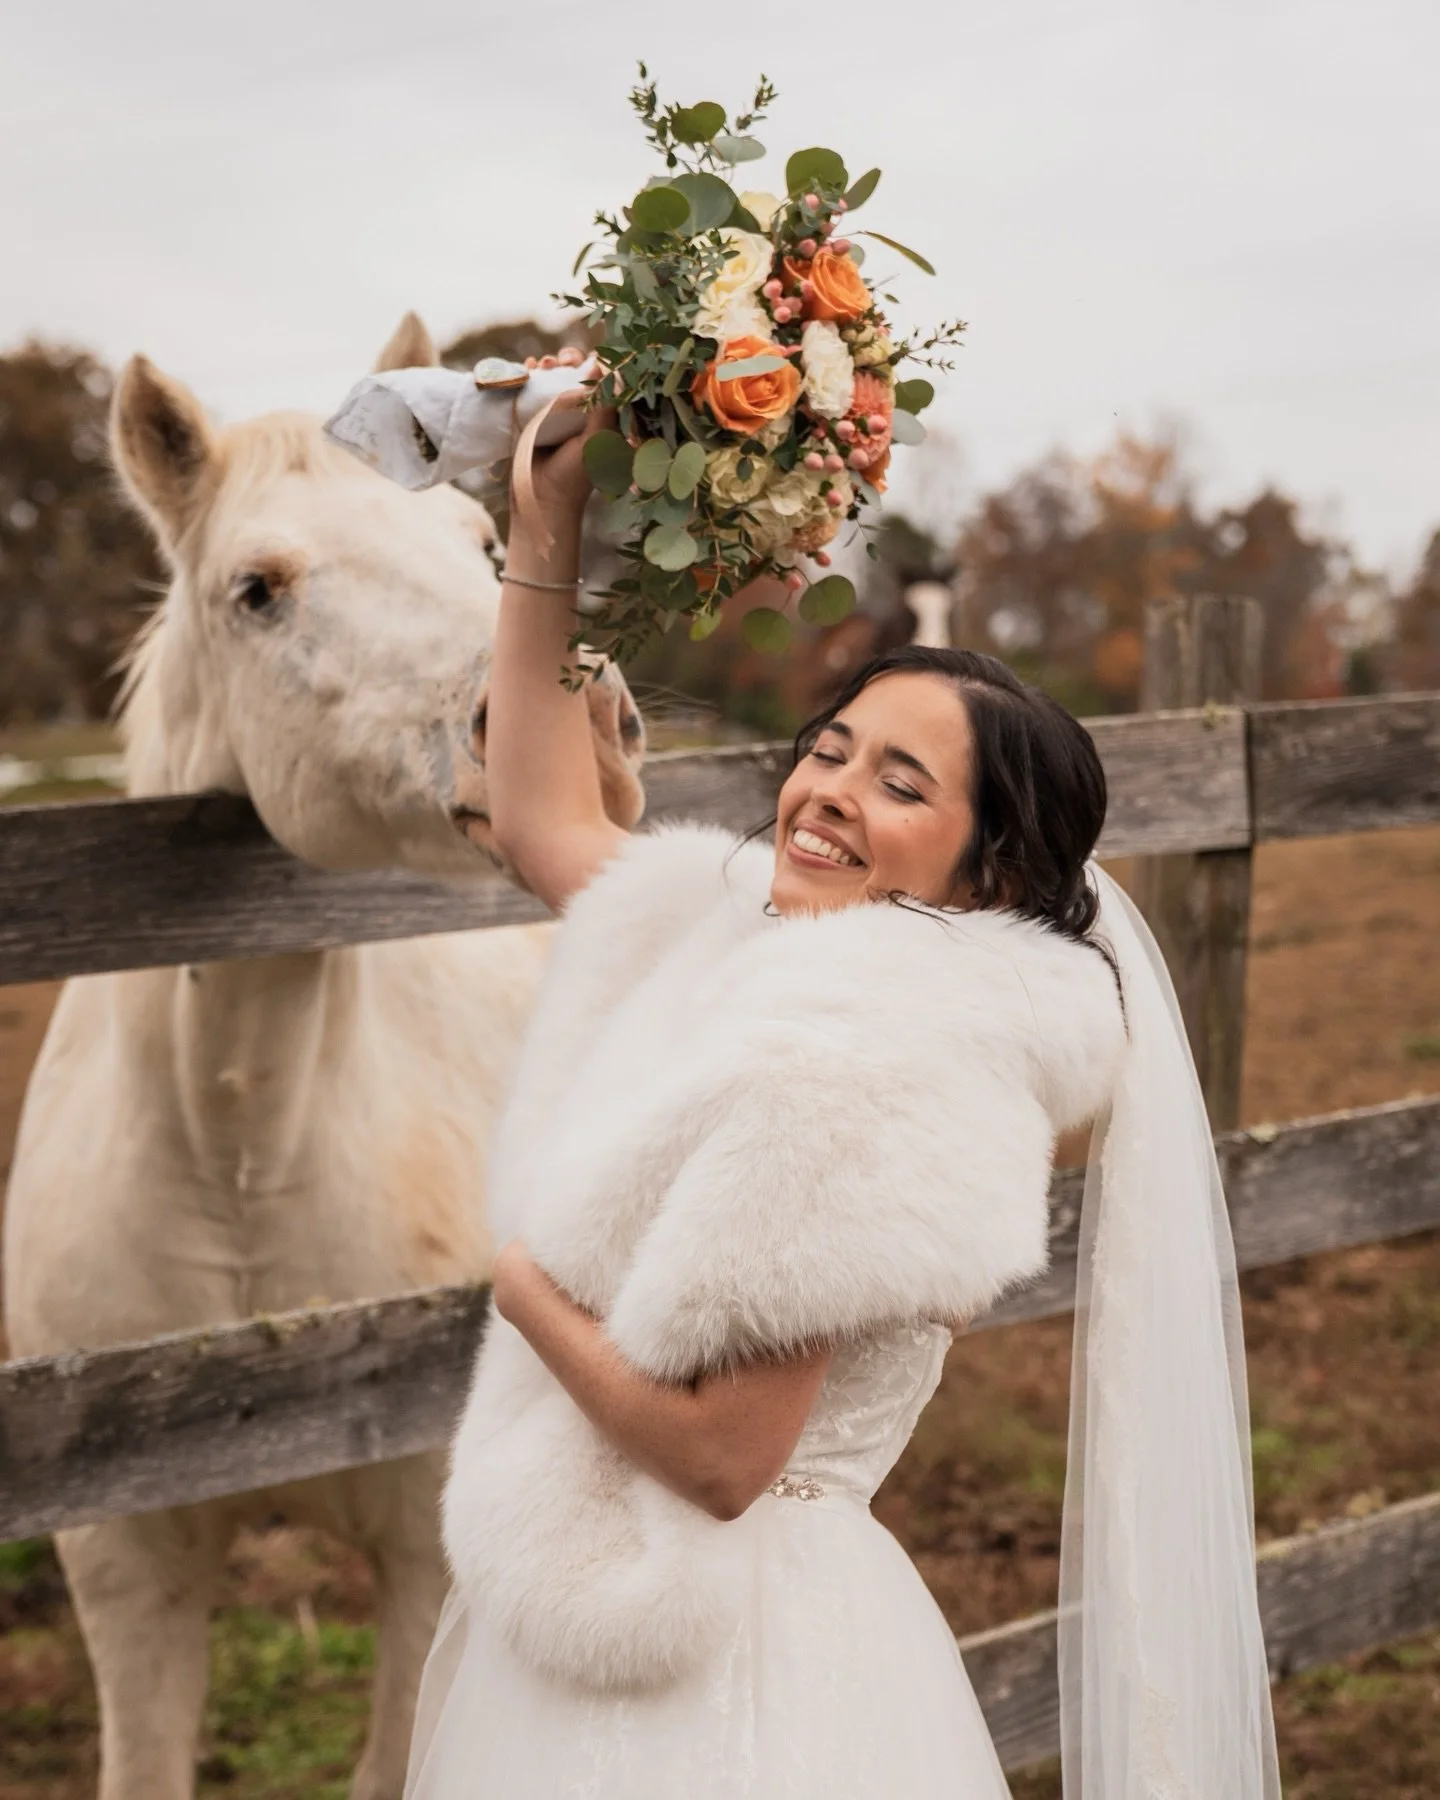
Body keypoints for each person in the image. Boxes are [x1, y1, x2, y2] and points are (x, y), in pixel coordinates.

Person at [404, 393, 1281, 1799]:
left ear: (986, 873)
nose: (828, 791)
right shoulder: (762, 942)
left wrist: (524, 1291)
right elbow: (545, 820)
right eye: (832, 748)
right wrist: (547, 523)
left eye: (901, 782)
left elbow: (722, 1457)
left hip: (728, 1663)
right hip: (604, 1588)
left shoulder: (868, 1063)